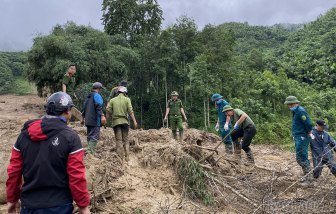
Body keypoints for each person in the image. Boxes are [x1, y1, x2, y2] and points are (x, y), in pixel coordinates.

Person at [6, 92, 90, 214]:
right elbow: (76, 176)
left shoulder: (23, 136)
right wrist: (83, 206)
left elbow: (14, 172)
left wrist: (12, 199)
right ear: (68, 110)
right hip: (60, 206)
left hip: (29, 206)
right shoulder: (71, 137)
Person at [284, 96, 313, 185]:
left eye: (291, 104)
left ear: (296, 103)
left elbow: (308, 124)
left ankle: (310, 181)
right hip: (298, 136)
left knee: (302, 158)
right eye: (288, 104)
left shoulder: (301, 111)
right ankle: (307, 176)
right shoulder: (295, 111)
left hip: (302, 137)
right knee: (299, 158)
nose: (290, 106)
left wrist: (308, 132)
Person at [106, 87, 137, 162]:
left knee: (118, 140)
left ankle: (120, 158)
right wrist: (134, 121)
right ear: (125, 93)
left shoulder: (112, 100)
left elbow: (108, 112)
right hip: (125, 123)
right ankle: (127, 157)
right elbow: (130, 111)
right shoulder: (127, 100)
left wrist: (106, 120)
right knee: (126, 139)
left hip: (116, 123)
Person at [81, 82, 107, 155]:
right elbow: (99, 107)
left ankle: (89, 151)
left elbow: (84, 108)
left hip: (88, 120)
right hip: (95, 120)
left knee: (89, 135)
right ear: (98, 88)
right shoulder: (97, 96)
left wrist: (82, 118)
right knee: (94, 136)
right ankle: (90, 153)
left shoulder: (88, 96)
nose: (101, 90)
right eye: (101, 89)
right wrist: (102, 116)